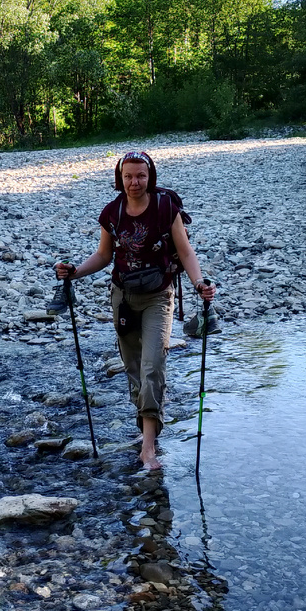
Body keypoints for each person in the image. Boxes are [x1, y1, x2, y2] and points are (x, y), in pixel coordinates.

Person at [55, 150, 217, 471]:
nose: (134, 182)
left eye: (140, 175)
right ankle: (149, 426)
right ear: (120, 178)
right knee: (133, 371)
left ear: (150, 176)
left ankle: (147, 449)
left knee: (152, 366)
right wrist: (74, 271)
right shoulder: (112, 213)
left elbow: (185, 252)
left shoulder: (164, 208)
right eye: (128, 176)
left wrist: (200, 284)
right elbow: (103, 256)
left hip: (159, 296)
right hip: (124, 298)